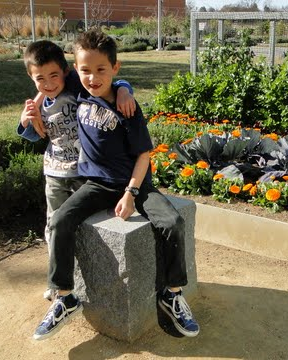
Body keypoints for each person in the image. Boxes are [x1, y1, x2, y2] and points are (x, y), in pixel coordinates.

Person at [32, 29, 200, 341]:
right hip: (96, 184)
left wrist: (132, 193)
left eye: (101, 71)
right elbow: (47, 80)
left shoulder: (128, 109)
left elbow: (143, 156)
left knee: (172, 222)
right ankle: (65, 296)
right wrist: (32, 105)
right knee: (60, 220)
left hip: (136, 185)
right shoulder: (79, 87)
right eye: (85, 70)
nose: (93, 78)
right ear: (76, 70)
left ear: (115, 69)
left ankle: (172, 293)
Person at [18, 40, 136, 301]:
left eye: (54, 76)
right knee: (55, 225)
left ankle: (89, 278)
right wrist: (28, 116)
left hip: (84, 174)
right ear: (31, 77)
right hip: (55, 174)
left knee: (84, 226)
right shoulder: (38, 104)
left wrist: (126, 91)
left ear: (66, 72)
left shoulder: (75, 87)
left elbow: (110, 84)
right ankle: (56, 280)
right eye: (40, 79)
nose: (49, 83)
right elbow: (32, 135)